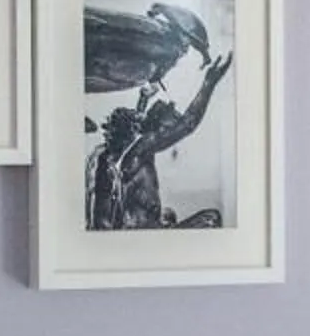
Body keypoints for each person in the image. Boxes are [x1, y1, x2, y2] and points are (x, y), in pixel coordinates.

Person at [85, 41, 233, 230]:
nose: (168, 135)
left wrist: (144, 98)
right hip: (144, 235)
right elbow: (188, 124)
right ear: (156, 130)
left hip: (121, 232)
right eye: (166, 130)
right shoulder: (140, 150)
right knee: (211, 218)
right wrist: (208, 84)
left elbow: (137, 121)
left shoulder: (107, 153)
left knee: (168, 213)